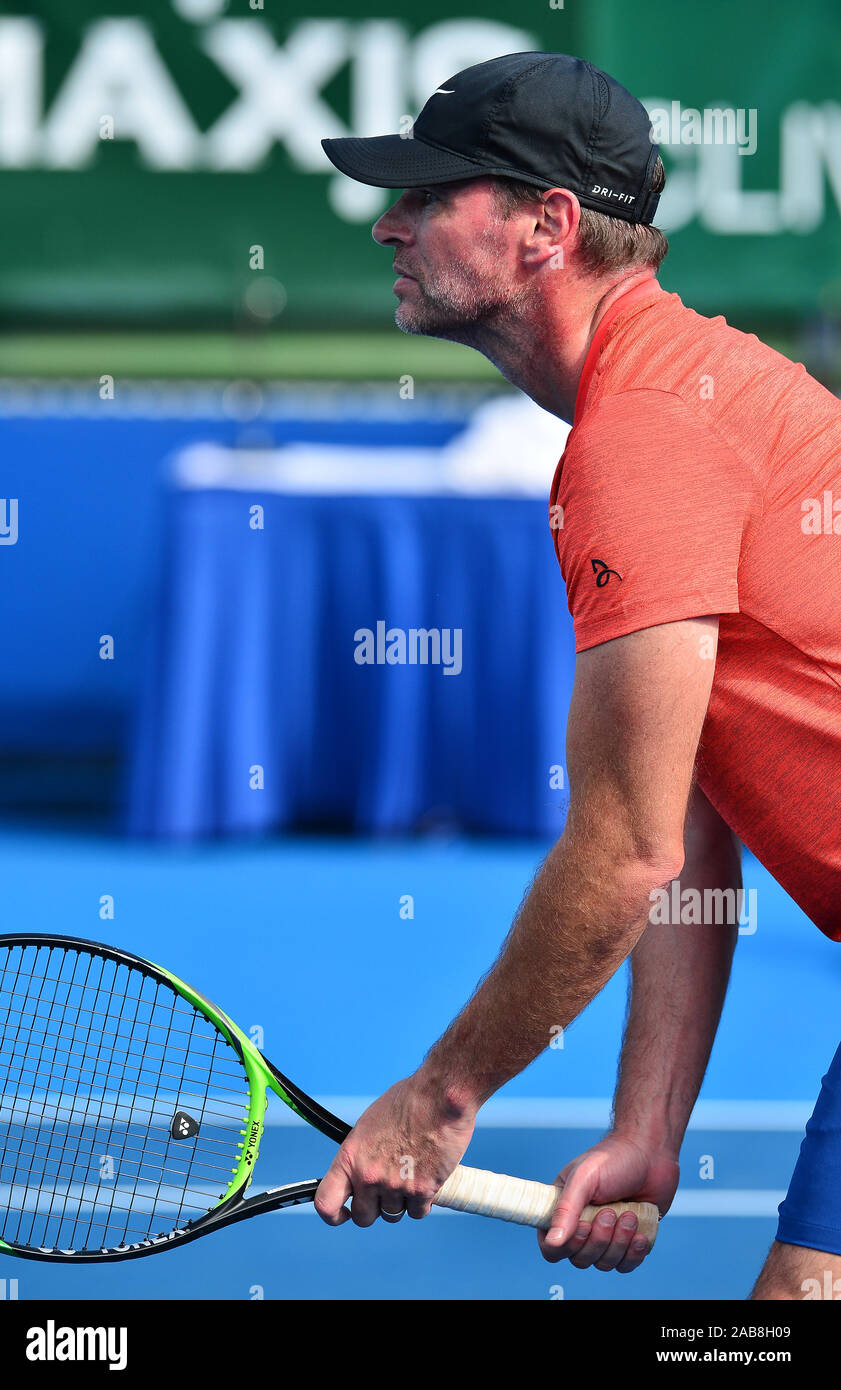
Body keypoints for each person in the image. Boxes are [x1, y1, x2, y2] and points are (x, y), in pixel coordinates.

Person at [317, 51, 841, 1298]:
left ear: (548, 227)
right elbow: (693, 814)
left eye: (432, 193)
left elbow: (621, 853)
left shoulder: (645, 439)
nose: (391, 222)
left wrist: (442, 1097)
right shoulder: (671, 398)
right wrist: (650, 1124)